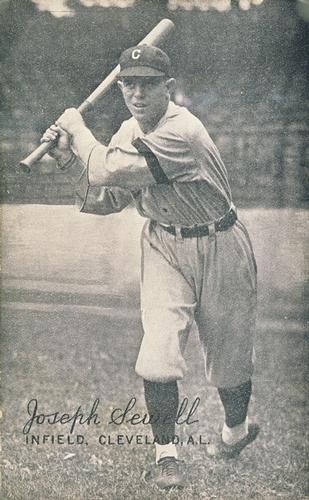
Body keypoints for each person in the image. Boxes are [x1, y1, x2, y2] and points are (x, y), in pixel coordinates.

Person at [41, 44, 259, 490]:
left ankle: (234, 433)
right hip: (163, 244)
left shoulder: (184, 130)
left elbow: (103, 168)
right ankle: (166, 456)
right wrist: (67, 156)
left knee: (231, 362)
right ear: (121, 88)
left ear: (169, 88)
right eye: (129, 84)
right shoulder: (125, 132)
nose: (137, 93)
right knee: (157, 355)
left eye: (148, 84)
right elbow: (103, 197)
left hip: (220, 240)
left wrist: (77, 128)